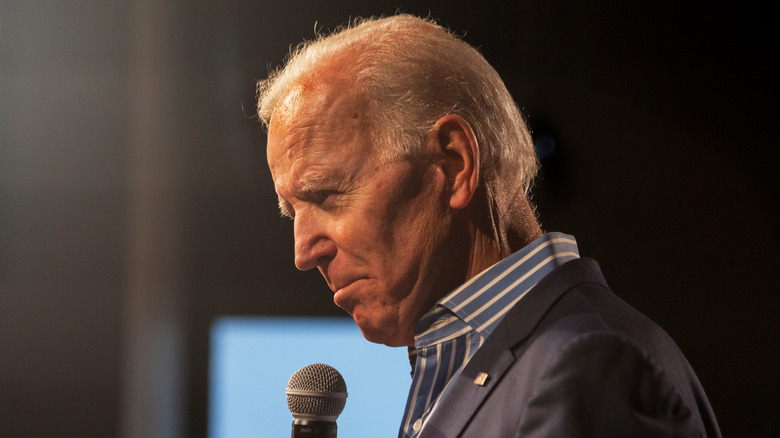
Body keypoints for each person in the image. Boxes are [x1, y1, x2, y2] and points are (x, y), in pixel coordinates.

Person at [257, 14, 721, 438]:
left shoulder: (588, 369)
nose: (303, 253)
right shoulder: (471, 359)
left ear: (454, 165)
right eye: (292, 211)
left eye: (326, 194)